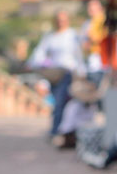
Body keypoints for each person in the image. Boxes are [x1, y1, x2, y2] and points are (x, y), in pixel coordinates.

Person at [29, 10, 85, 138]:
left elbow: (78, 55)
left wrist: (81, 71)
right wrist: (36, 64)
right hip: (54, 74)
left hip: (68, 73)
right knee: (57, 103)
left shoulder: (72, 35)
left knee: (63, 103)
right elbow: (39, 53)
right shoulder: (50, 36)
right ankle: (59, 130)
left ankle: (60, 130)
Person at [53, 78, 100, 149]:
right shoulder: (74, 105)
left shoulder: (92, 105)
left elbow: (92, 119)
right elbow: (69, 123)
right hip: (72, 131)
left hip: (82, 130)